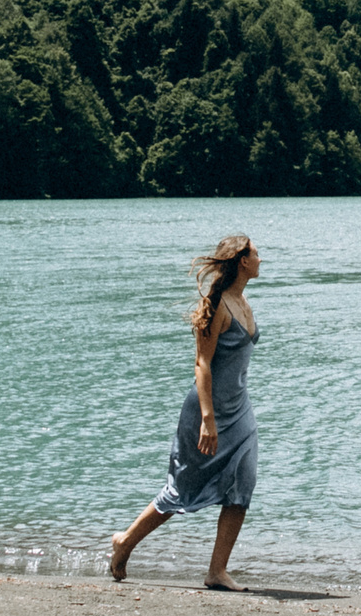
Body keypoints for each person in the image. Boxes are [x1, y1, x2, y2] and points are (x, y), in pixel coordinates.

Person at [109, 234, 261, 590]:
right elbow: (202, 364)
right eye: (255, 253)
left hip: (240, 411)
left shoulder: (243, 301)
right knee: (181, 489)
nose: (260, 259)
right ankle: (125, 541)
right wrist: (207, 419)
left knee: (243, 485)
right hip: (208, 412)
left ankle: (216, 571)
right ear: (241, 261)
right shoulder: (219, 306)